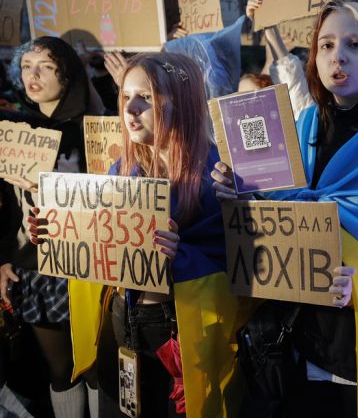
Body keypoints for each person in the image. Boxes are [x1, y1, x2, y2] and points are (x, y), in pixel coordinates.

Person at [212, 0, 358, 418]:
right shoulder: (299, 128)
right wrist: (239, 194)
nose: (338, 56)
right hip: (292, 340)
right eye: (326, 45)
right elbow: (275, 214)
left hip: (354, 345)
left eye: (354, 44)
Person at [31, 52, 245, 417]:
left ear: (181, 99)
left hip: (181, 332)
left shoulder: (218, 175)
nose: (130, 109)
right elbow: (102, 242)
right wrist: (56, 231)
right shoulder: (123, 167)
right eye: (125, 96)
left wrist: (183, 256)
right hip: (122, 321)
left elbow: (239, 269)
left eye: (146, 97)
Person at [0, 37, 98, 417]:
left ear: (68, 72)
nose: (32, 75)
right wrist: (3, 258)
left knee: (94, 365)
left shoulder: (93, 130)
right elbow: (5, 207)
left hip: (88, 265)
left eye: (45, 65)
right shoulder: (13, 129)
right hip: (33, 268)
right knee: (61, 370)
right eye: (26, 66)